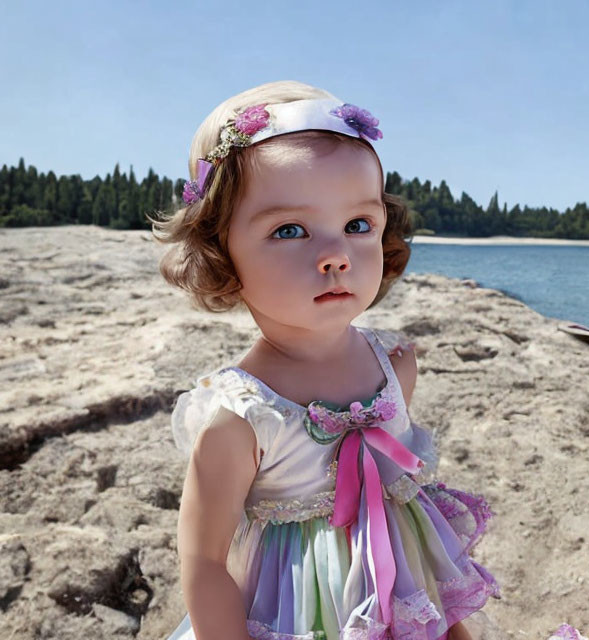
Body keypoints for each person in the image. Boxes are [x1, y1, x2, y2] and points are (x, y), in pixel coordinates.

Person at [149, 80, 506, 640]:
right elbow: (205, 564)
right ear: (220, 252)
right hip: (295, 614)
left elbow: (407, 510)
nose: (336, 255)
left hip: (396, 599)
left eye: (357, 225)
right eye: (290, 230)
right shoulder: (240, 419)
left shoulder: (395, 365)